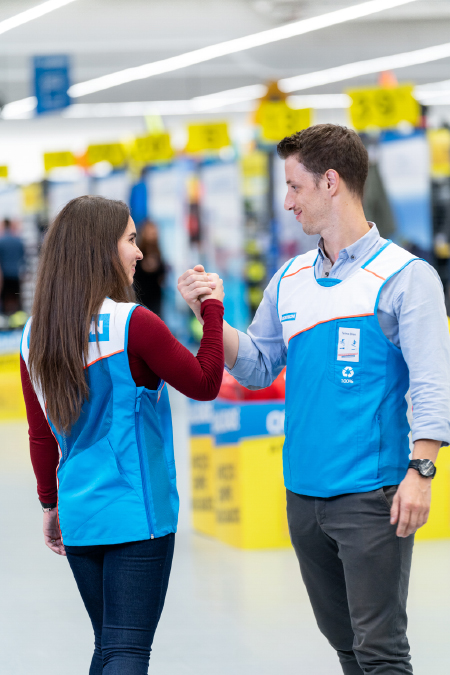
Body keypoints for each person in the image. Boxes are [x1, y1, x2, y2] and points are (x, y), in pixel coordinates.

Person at [178, 124, 450, 674]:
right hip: (302, 495)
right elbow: (257, 365)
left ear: (331, 183)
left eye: (295, 187)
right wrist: (209, 315)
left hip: (372, 495)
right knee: (344, 642)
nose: (287, 201)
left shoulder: (406, 277)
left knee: (381, 649)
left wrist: (422, 470)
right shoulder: (291, 278)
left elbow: (432, 381)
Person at [20, 195, 224, 675]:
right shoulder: (133, 324)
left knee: (110, 645)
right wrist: (211, 309)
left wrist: (50, 507)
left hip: (79, 513)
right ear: (100, 249)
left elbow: (40, 436)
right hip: (139, 514)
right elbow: (204, 381)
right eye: (130, 240)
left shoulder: (36, 336)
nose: (137, 252)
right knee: (127, 651)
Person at [134, 220, 165, 317]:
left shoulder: (158, 251)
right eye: (150, 232)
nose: (153, 234)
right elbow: (135, 273)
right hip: (141, 296)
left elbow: (162, 273)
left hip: (156, 296)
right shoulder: (138, 251)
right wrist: (145, 266)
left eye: (154, 232)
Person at [0, 217, 25, 314]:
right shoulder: (18, 241)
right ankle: (18, 316)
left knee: (4, 298)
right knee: (16, 296)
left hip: (5, 274)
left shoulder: (1, 241)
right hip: (16, 273)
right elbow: (22, 257)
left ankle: (5, 317)